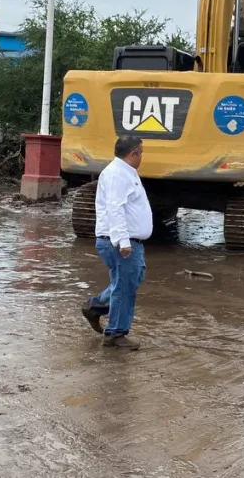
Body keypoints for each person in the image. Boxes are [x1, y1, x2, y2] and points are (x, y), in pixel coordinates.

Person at [81, 136, 153, 350]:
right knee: (124, 288)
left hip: (128, 240)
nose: (142, 156)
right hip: (121, 242)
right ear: (133, 154)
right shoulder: (117, 175)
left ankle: (96, 306)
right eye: (141, 152)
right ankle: (115, 334)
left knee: (130, 281)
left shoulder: (125, 173)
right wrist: (122, 241)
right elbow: (115, 208)